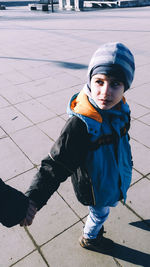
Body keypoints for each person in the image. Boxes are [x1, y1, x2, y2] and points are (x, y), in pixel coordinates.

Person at [20, 42, 135, 253]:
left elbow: (123, 142)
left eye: (116, 84)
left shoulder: (121, 109)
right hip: (94, 188)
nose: (105, 92)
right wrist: (33, 200)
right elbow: (55, 165)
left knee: (103, 209)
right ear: (90, 80)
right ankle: (90, 237)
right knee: (100, 214)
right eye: (99, 81)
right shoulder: (81, 125)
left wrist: (128, 163)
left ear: (125, 86)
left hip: (111, 179)